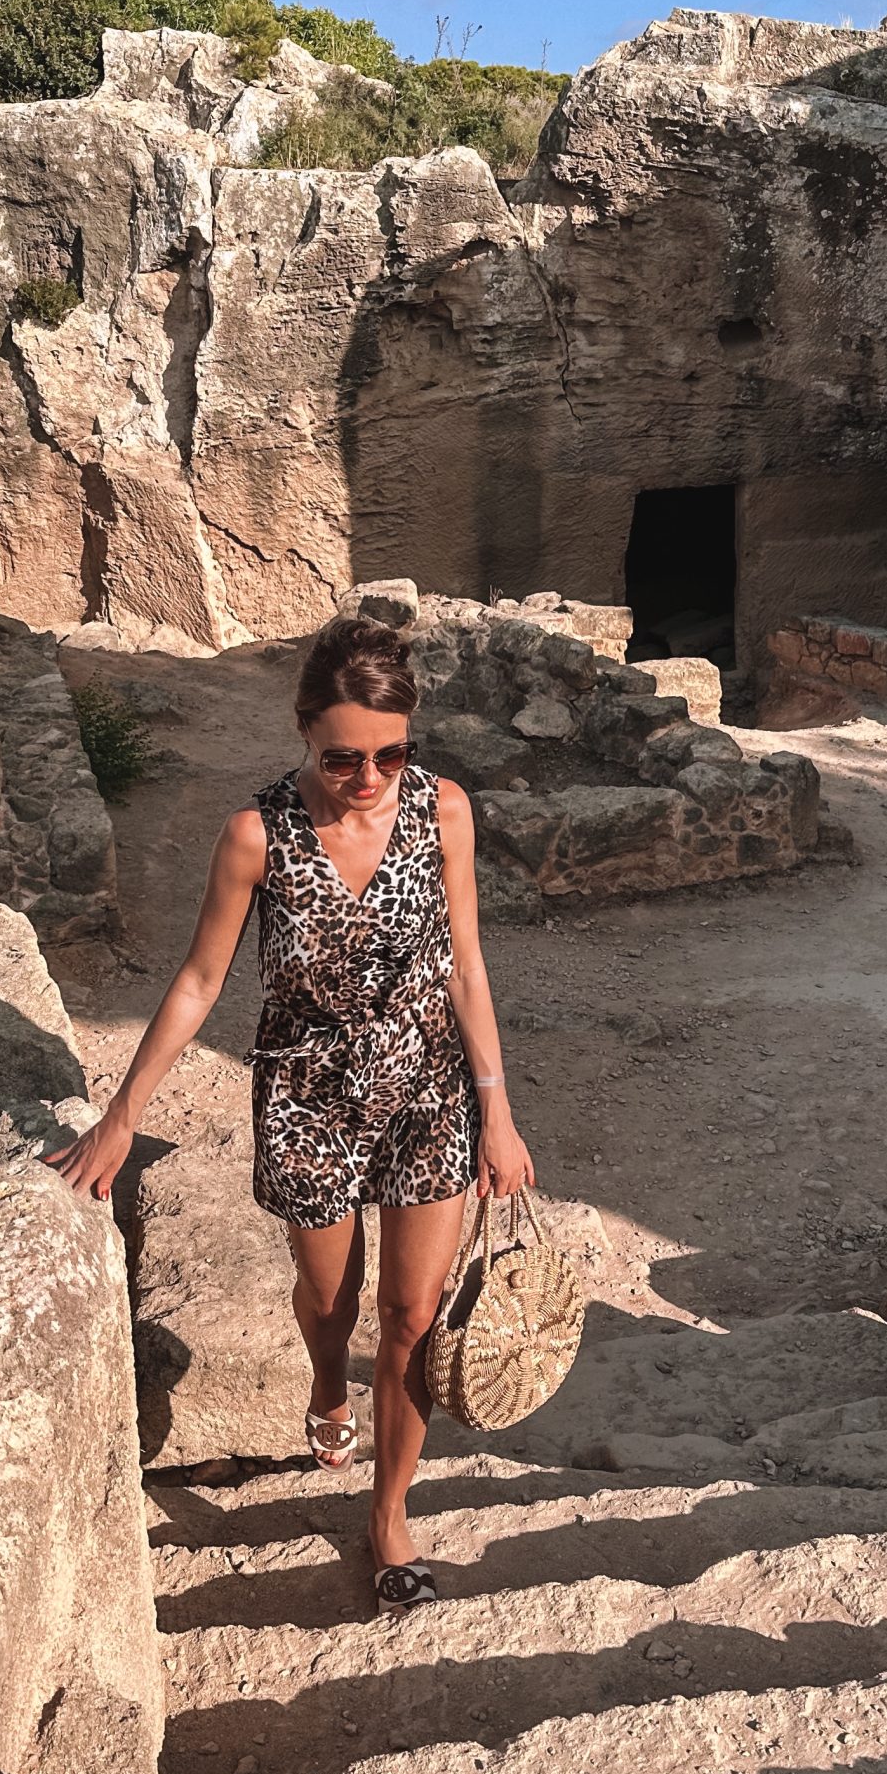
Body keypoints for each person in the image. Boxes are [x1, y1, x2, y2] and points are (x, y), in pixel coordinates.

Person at [45, 613, 535, 1614]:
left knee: (411, 1317)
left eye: (391, 752)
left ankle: (389, 1517)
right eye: (344, 756)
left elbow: (468, 963)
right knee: (330, 1303)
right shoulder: (256, 834)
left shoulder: (445, 811)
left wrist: (498, 1110)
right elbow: (197, 980)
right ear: (305, 732)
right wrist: (123, 1115)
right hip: (308, 1098)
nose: (369, 776)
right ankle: (323, 1384)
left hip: (427, 1092)